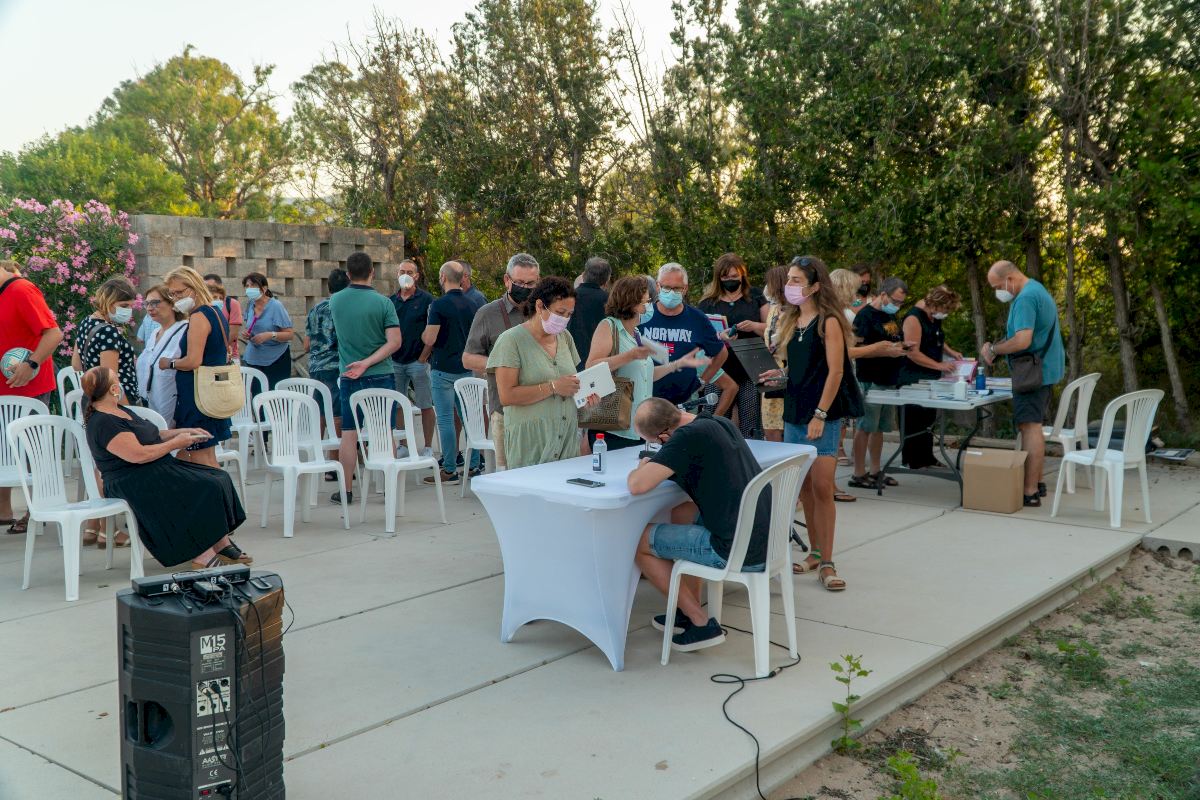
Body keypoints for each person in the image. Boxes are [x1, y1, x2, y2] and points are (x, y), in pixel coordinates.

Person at [627, 397, 771, 650]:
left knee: (637, 541)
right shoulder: (718, 422)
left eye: (654, 442)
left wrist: (641, 467)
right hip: (764, 539)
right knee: (682, 512)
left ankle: (701, 622)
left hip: (736, 550)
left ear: (663, 436)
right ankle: (686, 607)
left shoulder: (685, 438)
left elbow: (637, 485)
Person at [80, 366, 251, 570]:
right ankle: (202, 554)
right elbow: (138, 455)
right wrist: (176, 443)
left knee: (218, 478)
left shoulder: (119, 410)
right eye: (115, 378)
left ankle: (221, 544)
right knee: (202, 487)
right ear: (112, 389)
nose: (120, 381)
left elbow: (152, 435)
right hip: (131, 480)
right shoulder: (104, 421)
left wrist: (184, 432)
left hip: (152, 469)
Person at [760, 256, 858, 589]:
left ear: (815, 286)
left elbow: (836, 371)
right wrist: (779, 376)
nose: (789, 285)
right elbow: (798, 368)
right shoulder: (791, 319)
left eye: (797, 280)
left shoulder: (829, 322)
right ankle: (815, 553)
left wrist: (820, 414)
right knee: (803, 488)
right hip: (793, 412)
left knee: (822, 487)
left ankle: (828, 562)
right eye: (789, 279)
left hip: (822, 415)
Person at [488, 277, 599, 469]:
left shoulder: (565, 337)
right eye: (560, 312)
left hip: (566, 441)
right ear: (540, 306)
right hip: (531, 443)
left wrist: (586, 399)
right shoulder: (511, 341)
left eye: (569, 314)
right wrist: (553, 387)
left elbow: (570, 384)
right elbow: (506, 396)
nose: (564, 319)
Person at [585, 276, 706, 451]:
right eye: (646, 302)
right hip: (613, 427)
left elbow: (646, 375)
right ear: (632, 303)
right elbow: (591, 366)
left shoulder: (636, 333)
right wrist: (630, 355)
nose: (650, 307)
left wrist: (678, 364)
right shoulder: (609, 326)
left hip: (639, 427)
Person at [983, 259, 1065, 507]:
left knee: (1030, 427)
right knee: (1033, 426)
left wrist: (994, 349)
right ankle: (1037, 482)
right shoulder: (1036, 289)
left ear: (1010, 279)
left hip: (1033, 374)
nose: (998, 292)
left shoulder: (1026, 298)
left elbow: (1022, 340)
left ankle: (1029, 491)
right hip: (1045, 370)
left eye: (998, 286)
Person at [329, 252, 401, 503]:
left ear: (348, 274)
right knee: (385, 432)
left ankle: (346, 490)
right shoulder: (384, 303)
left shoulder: (335, 301)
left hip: (349, 374)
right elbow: (395, 342)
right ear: (372, 272)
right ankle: (389, 487)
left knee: (349, 433)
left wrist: (358, 364)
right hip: (381, 374)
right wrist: (368, 362)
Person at [0, 259, 64, 535]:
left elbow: (54, 334)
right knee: (4, 451)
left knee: (31, 451)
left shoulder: (22, 290)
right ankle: (3, 510)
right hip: (5, 390)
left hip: (29, 388)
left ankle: (37, 509)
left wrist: (31, 364)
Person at [463, 253, 540, 469]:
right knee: (508, 475)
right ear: (507, 280)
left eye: (531, 284)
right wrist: (504, 365)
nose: (525, 288)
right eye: (520, 282)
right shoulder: (487, 314)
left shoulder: (544, 312)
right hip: (505, 410)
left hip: (541, 407)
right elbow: (468, 359)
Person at [161, 266, 234, 469]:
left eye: (179, 292)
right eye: (172, 294)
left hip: (198, 396)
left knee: (203, 459)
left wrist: (169, 363)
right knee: (198, 456)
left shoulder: (199, 316)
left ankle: (220, 491)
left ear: (194, 287)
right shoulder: (215, 312)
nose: (176, 298)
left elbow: (193, 361)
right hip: (208, 393)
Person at [638, 263, 734, 415]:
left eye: (677, 288)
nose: (671, 292)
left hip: (684, 403)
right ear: (657, 286)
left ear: (685, 289)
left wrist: (703, 380)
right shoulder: (643, 315)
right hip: (646, 399)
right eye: (666, 287)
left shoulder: (697, 318)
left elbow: (721, 353)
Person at [421, 261, 481, 485]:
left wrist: (423, 337)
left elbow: (430, 338)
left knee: (446, 419)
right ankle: (474, 464)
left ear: (443, 277)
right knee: (468, 419)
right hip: (466, 368)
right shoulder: (473, 304)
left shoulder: (438, 305)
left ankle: (449, 469)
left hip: (443, 368)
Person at [698, 252, 769, 438]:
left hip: (751, 366)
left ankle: (750, 454)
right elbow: (699, 337)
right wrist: (719, 336)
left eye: (734, 276)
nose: (730, 280)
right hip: (720, 368)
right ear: (718, 278)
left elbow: (772, 329)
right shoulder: (708, 303)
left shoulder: (755, 296)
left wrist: (754, 326)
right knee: (714, 419)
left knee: (750, 423)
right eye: (725, 277)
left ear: (742, 275)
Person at [850, 277, 909, 490]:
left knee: (880, 428)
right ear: (883, 294)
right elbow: (856, 350)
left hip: (889, 379)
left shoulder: (890, 315)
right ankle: (858, 473)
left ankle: (875, 471)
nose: (897, 305)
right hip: (870, 379)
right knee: (865, 426)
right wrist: (884, 351)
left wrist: (903, 347)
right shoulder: (864, 316)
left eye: (901, 302)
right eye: (895, 300)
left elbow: (893, 339)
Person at [898, 285, 964, 469]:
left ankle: (927, 456)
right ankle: (912, 460)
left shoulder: (933, 316)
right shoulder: (913, 318)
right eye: (945, 310)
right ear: (934, 304)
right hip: (913, 376)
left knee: (928, 419)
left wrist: (951, 352)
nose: (945, 314)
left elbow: (936, 338)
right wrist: (939, 365)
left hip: (930, 377)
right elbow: (912, 353)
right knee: (914, 419)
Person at [389, 259, 436, 456]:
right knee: (399, 404)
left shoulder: (427, 300)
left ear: (416, 276)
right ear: (397, 274)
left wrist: (423, 357)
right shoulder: (390, 301)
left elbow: (433, 330)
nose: (405, 275)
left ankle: (428, 446)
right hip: (395, 362)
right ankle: (404, 446)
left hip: (419, 362)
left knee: (425, 404)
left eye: (409, 272)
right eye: (402, 271)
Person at [72, 277, 140, 403]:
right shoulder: (109, 331)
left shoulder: (86, 322)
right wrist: (126, 408)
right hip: (117, 400)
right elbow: (110, 380)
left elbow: (76, 365)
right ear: (108, 301)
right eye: (124, 305)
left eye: (131, 306)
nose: (128, 310)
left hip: (92, 397)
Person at [304, 267, 350, 445]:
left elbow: (306, 345)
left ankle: (318, 452)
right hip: (335, 367)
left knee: (320, 412)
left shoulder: (315, 309)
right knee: (337, 414)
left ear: (329, 287)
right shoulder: (342, 308)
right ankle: (335, 455)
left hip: (315, 368)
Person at [134, 284, 189, 427]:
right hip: (150, 403)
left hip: (174, 404)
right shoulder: (154, 334)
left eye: (155, 303)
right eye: (147, 304)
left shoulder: (184, 330)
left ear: (172, 303)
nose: (149, 308)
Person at [239, 272, 294, 389]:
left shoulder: (276, 306)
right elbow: (251, 326)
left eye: (253, 285)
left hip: (275, 359)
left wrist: (270, 335)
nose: (249, 289)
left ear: (264, 288)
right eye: (247, 286)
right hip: (254, 358)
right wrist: (248, 334)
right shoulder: (250, 305)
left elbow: (289, 334)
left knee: (274, 395)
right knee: (256, 394)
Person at [759, 265, 789, 442]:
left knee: (786, 430)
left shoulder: (797, 313)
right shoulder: (773, 309)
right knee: (770, 429)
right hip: (769, 374)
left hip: (787, 374)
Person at [567, 257, 611, 370]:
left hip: (570, 359)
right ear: (607, 280)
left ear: (583, 275)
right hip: (597, 363)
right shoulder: (609, 301)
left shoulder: (568, 297)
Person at [204, 274, 243, 359]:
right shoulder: (203, 304)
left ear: (220, 287)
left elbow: (233, 334)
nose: (208, 290)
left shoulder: (232, 304)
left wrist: (216, 350)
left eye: (211, 287)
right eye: (205, 287)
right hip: (206, 355)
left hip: (228, 355)